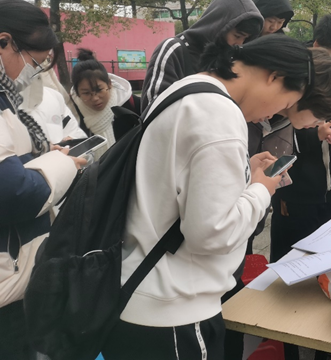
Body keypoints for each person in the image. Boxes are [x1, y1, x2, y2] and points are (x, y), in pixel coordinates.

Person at [101, 34, 316, 360]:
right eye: (285, 103)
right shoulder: (220, 115)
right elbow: (212, 234)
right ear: (274, 77)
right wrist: (261, 190)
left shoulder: (189, 89)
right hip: (174, 313)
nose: (273, 115)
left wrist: (245, 173)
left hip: (139, 294)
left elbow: (177, 185)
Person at [0, 0, 84, 359]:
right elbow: (14, 193)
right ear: (4, 42)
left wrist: (43, 154)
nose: (31, 74)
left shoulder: (7, 98)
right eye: (32, 62)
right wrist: (64, 164)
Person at [270, 13, 331, 264]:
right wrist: (315, 135)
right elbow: (276, 135)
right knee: (291, 262)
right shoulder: (295, 79)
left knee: (327, 261)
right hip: (296, 196)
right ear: (317, 47)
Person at [141, 0, 264, 111]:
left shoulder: (232, 60)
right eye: (237, 36)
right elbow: (153, 108)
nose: (239, 44)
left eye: (245, 39)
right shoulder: (173, 50)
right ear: (219, 25)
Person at [69, 48, 139, 158]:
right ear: (77, 93)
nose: (95, 98)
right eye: (86, 93)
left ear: (109, 84)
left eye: (99, 90)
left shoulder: (130, 104)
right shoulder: (72, 112)